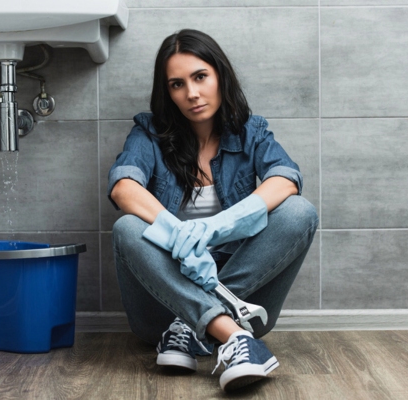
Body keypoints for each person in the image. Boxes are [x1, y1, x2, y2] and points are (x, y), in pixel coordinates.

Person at [107, 29, 318, 392]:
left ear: (220, 75)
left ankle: (200, 328)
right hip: (162, 310)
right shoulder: (149, 133)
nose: (191, 93)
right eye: (177, 84)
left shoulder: (251, 131)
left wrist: (215, 228)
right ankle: (231, 336)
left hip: (242, 301)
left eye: (200, 77)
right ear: (167, 92)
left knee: (299, 211)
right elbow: (123, 187)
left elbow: (286, 180)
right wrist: (180, 237)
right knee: (127, 228)